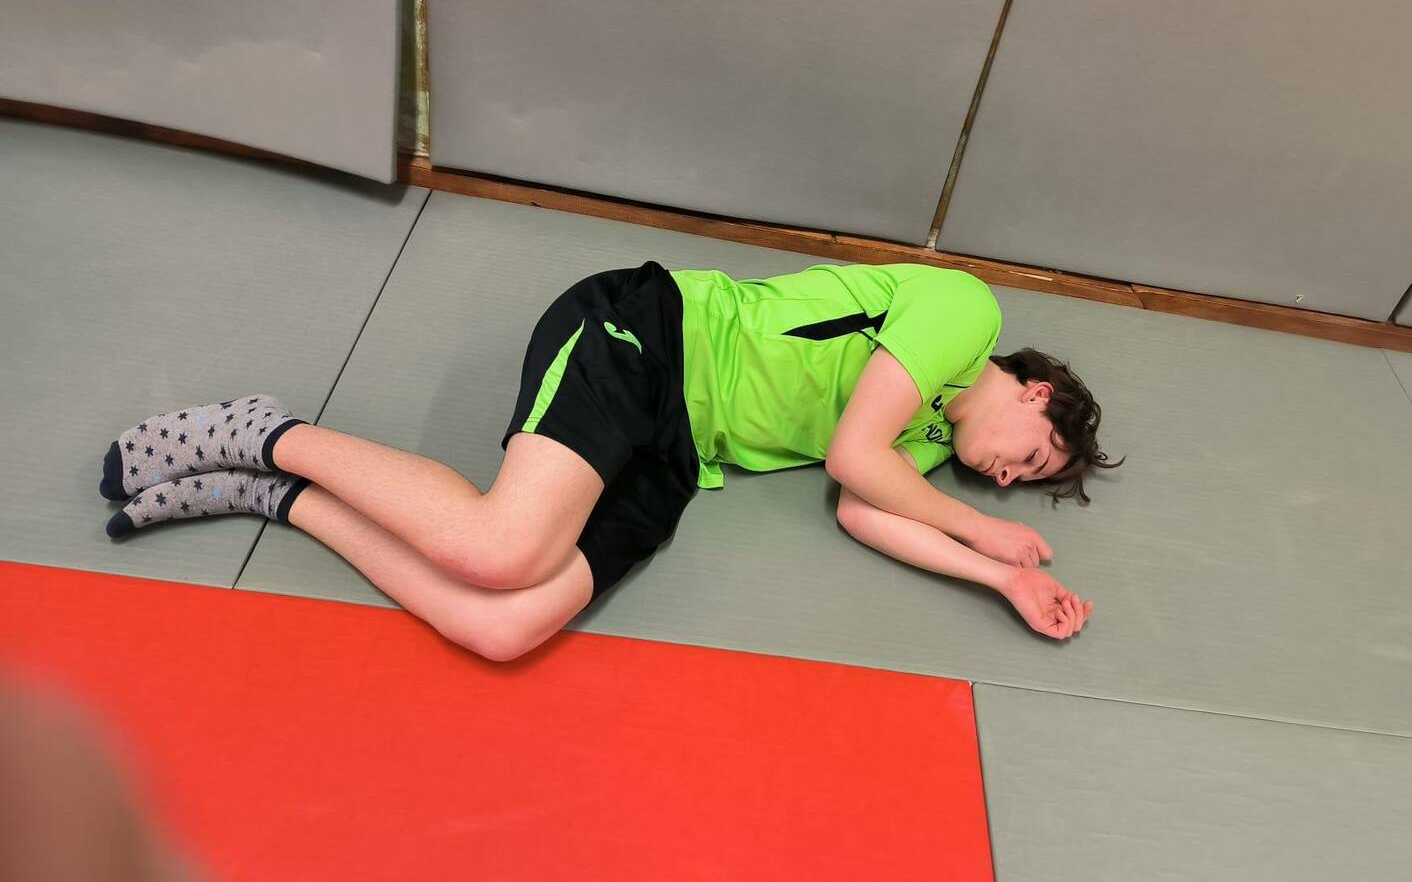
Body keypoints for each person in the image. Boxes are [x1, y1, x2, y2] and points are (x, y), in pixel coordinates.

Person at [100, 262, 1120, 661]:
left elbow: (863, 506)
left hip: (685, 451)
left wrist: (1000, 580)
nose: (1005, 478)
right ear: (1035, 393)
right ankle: (264, 433)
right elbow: (855, 458)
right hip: (649, 338)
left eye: (1019, 483)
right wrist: (982, 526)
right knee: (500, 551)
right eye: (1031, 459)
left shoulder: (926, 443)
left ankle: (269, 496)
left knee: (503, 627)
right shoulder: (966, 314)